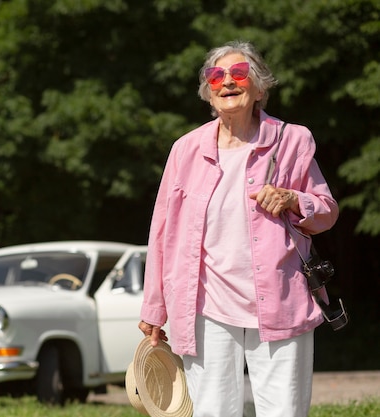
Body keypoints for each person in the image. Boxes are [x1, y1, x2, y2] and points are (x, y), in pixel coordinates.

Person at [138, 40, 339, 417]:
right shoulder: (185, 149)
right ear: (208, 93)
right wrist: (154, 307)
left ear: (259, 87)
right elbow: (162, 232)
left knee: (284, 410)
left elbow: (326, 210)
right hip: (205, 303)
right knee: (213, 410)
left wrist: (295, 200)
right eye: (216, 76)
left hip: (281, 298)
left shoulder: (293, 139)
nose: (227, 82)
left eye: (239, 73)